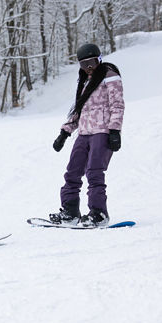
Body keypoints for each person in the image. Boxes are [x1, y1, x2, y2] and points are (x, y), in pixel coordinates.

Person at [50, 43, 125, 226]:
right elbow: (79, 110)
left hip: (102, 132)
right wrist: (64, 132)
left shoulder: (109, 76)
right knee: (72, 172)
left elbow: (117, 104)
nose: (89, 68)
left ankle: (98, 213)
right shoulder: (84, 81)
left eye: (91, 63)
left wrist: (114, 130)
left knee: (94, 172)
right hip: (83, 132)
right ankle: (70, 212)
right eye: (84, 65)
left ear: (99, 59)